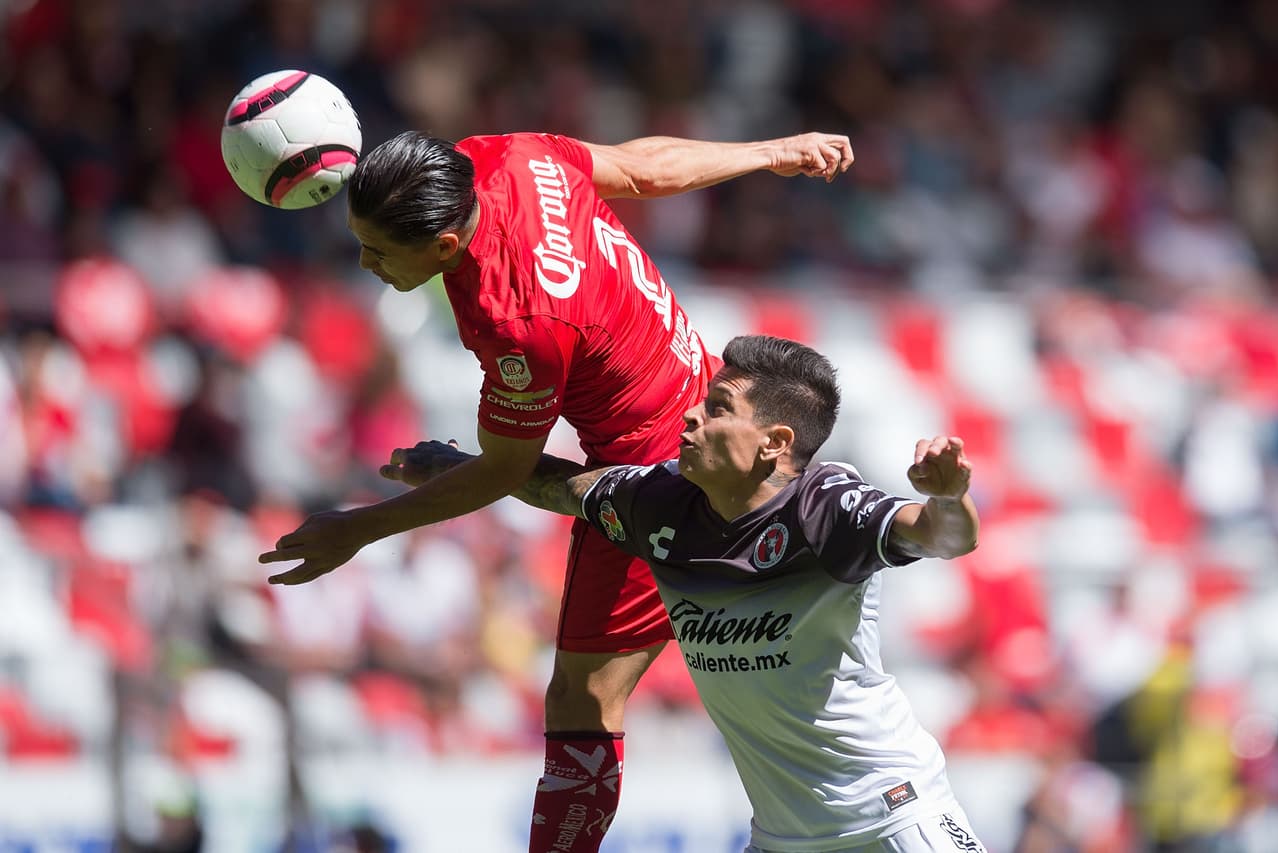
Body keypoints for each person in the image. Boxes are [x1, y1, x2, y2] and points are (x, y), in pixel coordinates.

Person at [258, 130, 854, 851]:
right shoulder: (505, 157)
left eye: (379, 251)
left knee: (588, 698)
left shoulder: (519, 322)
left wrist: (357, 529)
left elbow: (508, 469)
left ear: (445, 247)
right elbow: (639, 168)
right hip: (697, 387)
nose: (365, 262)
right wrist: (771, 153)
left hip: (665, 470)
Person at [380, 334, 986, 853]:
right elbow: (560, 489)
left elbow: (942, 536)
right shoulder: (659, 503)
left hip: (898, 818)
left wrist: (949, 496)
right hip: (782, 837)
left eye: (718, 408)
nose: (691, 417)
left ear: (774, 441)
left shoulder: (825, 508)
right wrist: (457, 467)